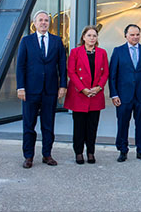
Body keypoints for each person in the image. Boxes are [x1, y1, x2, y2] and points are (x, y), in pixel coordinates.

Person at [16, 10, 67, 169]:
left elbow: (62, 66)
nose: (44, 22)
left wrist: (63, 85)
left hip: (50, 90)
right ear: (35, 23)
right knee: (29, 125)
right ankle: (29, 156)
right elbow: (20, 66)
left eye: (46, 20)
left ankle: (47, 155)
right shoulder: (26, 41)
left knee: (48, 124)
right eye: (41, 20)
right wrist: (21, 87)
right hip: (30, 91)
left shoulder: (57, 41)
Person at [109, 24, 141, 162]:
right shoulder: (118, 51)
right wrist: (114, 94)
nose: (135, 37)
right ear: (126, 36)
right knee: (123, 123)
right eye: (132, 35)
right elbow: (112, 75)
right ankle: (123, 150)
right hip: (123, 96)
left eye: (137, 34)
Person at [63, 25, 109, 164]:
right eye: (89, 35)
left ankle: (90, 152)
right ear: (83, 37)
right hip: (79, 95)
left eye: (94, 36)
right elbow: (71, 72)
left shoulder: (102, 52)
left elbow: (105, 72)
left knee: (92, 126)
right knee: (79, 126)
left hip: (95, 95)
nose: (92, 38)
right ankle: (78, 152)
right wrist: (82, 88)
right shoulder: (75, 52)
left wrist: (99, 87)